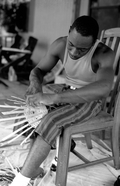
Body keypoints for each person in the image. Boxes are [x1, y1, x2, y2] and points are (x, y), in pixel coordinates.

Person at [10, 15, 115, 186]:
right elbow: (38, 70)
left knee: (51, 120)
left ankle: (21, 181)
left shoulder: (103, 53)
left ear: (94, 42)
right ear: (68, 33)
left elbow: (103, 89)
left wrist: (54, 97)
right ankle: (37, 164)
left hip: (90, 99)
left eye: (82, 50)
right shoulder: (60, 44)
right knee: (31, 110)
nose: (73, 52)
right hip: (67, 90)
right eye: (71, 45)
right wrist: (35, 86)